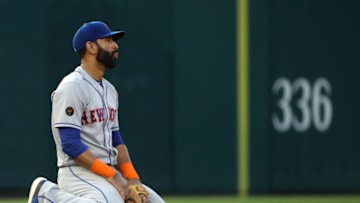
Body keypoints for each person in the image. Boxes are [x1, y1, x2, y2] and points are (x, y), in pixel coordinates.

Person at [27, 20, 165, 203]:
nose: (115, 45)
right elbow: (69, 143)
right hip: (77, 171)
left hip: (107, 170)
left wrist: (132, 177)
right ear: (91, 47)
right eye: (107, 40)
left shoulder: (110, 90)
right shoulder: (72, 86)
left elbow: (117, 141)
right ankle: (47, 195)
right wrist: (113, 176)